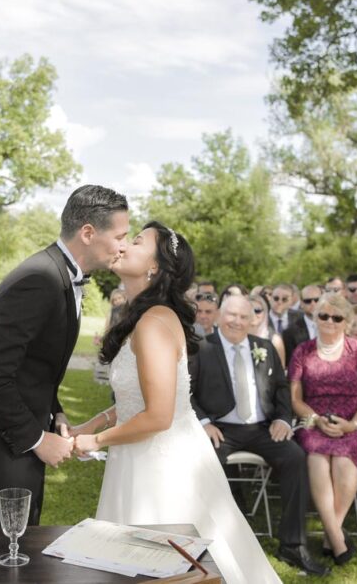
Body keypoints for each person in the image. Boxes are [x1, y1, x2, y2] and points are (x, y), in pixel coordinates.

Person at [72, 223, 281, 584]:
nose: (124, 244)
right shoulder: (142, 316)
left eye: (137, 241)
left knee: (164, 566)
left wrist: (96, 442)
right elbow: (139, 394)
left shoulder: (154, 322)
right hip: (139, 454)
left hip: (161, 467)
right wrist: (94, 423)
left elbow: (157, 415)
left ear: (155, 267)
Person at [0, 185, 130, 526]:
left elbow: (35, 364)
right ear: (88, 233)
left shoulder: (57, 275)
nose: (124, 246)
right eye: (120, 236)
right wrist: (37, 439)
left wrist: (55, 412)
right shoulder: (39, 280)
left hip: (15, 437)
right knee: (6, 558)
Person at [188, 293, 327, 576]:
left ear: (253, 320)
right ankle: (213, 542)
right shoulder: (201, 348)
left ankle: (292, 544)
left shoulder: (264, 346)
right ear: (218, 316)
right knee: (205, 461)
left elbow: (281, 389)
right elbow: (186, 392)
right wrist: (203, 422)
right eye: (231, 315)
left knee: (295, 457)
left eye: (243, 317)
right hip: (221, 428)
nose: (237, 322)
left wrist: (283, 419)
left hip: (262, 429)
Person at [289, 292, 357, 566]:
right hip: (314, 418)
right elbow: (296, 399)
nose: (329, 321)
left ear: (347, 322)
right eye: (323, 315)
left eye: (337, 317)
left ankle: (332, 532)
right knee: (317, 457)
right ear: (315, 318)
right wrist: (317, 420)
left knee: (343, 458)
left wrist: (352, 424)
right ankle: (336, 538)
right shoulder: (302, 351)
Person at [283, 284, 322, 364]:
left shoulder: (334, 325)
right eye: (308, 301)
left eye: (317, 300)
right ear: (301, 303)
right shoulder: (290, 332)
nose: (313, 304)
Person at [248, 293, 287, 366]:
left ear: (265, 312)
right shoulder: (237, 336)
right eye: (248, 310)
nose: (253, 314)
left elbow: (281, 370)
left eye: (257, 310)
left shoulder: (275, 340)